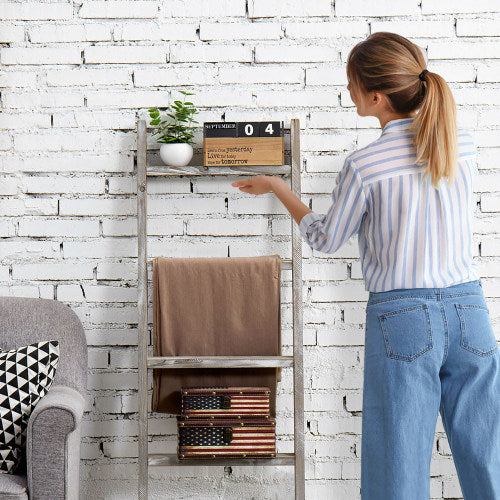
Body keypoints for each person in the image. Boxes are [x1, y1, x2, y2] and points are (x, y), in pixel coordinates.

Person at [231, 32, 500, 500]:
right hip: (469, 309)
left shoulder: (365, 164)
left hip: (403, 315)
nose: (348, 92)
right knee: (488, 451)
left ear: (376, 96)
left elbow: (327, 238)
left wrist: (278, 186)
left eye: (352, 84)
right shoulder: (464, 146)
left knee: (397, 456)